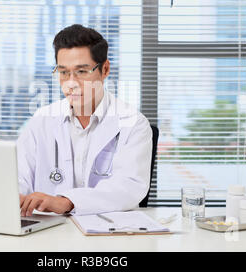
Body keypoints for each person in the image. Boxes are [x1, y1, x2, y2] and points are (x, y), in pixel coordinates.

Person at [17, 24, 152, 216]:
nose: (71, 83)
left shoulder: (133, 123)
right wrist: (16, 197)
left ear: (105, 69)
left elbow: (129, 187)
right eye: (63, 72)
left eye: (81, 72)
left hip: (108, 232)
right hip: (49, 231)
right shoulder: (41, 121)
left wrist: (67, 202)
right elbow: (18, 177)